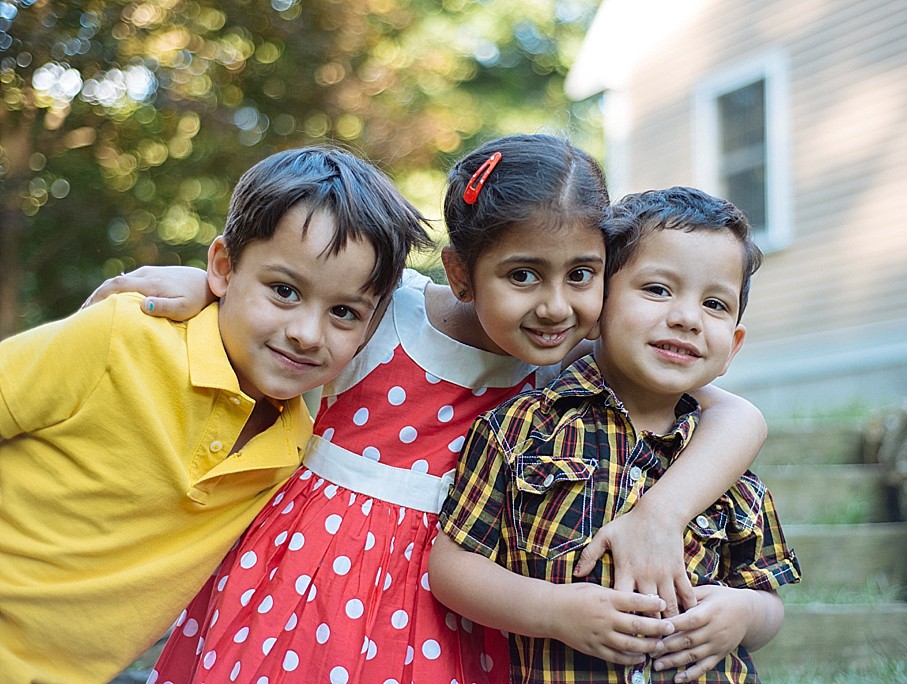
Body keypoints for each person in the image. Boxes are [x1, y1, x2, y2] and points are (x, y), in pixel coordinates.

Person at [92, 135, 768, 683]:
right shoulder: (390, 310)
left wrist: (662, 513)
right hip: (309, 573)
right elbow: (294, 303)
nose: (555, 305)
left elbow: (737, 416)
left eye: (581, 274)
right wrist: (205, 289)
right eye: (522, 274)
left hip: (459, 607)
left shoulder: (568, 360)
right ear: (460, 273)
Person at [0, 146, 432, 684]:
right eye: (284, 291)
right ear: (223, 267)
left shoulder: (298, 443)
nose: (307, 332)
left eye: (344, 312)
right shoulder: (122, 339)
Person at [430, 186, 802, 684]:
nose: (687, 318)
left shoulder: (725, 468)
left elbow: (765, 599)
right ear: (599, 302)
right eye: (657, 289)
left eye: (715, 304)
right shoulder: (519, 429)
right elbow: (453, 568)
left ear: (732, 345)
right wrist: (553, 611)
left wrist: (741, 615)